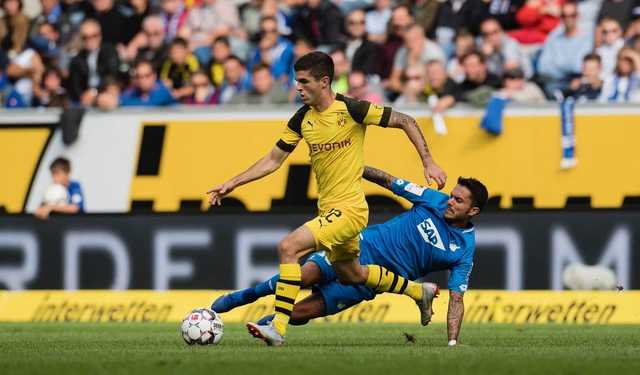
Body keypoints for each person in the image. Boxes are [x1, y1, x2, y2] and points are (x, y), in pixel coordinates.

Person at [206, 51, 447, 346]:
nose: (298, 87)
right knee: (354, 274)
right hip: (330, 210)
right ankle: (417, 292)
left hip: (351, 210)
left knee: (288, 247)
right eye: (297, 81)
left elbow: (406, 120)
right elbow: (273, 159)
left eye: (304, 81)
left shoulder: (352, 109)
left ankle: (278, 328)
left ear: (324, 82)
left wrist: (428, 161)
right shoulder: (302, 119)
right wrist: (233, 182)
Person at [212, 166, 488, 347]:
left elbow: (456, 298)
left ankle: (265, 326)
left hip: (369, 283)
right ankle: (238, 299)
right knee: (302, 274)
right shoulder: (433, 199)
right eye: (452, 195)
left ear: (473, 212)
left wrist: (453, 341)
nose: (450, 201)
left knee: (301, 312)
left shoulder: (464, 249)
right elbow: (390, 182)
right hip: (357, 248)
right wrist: (356, 167)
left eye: (458, 201)